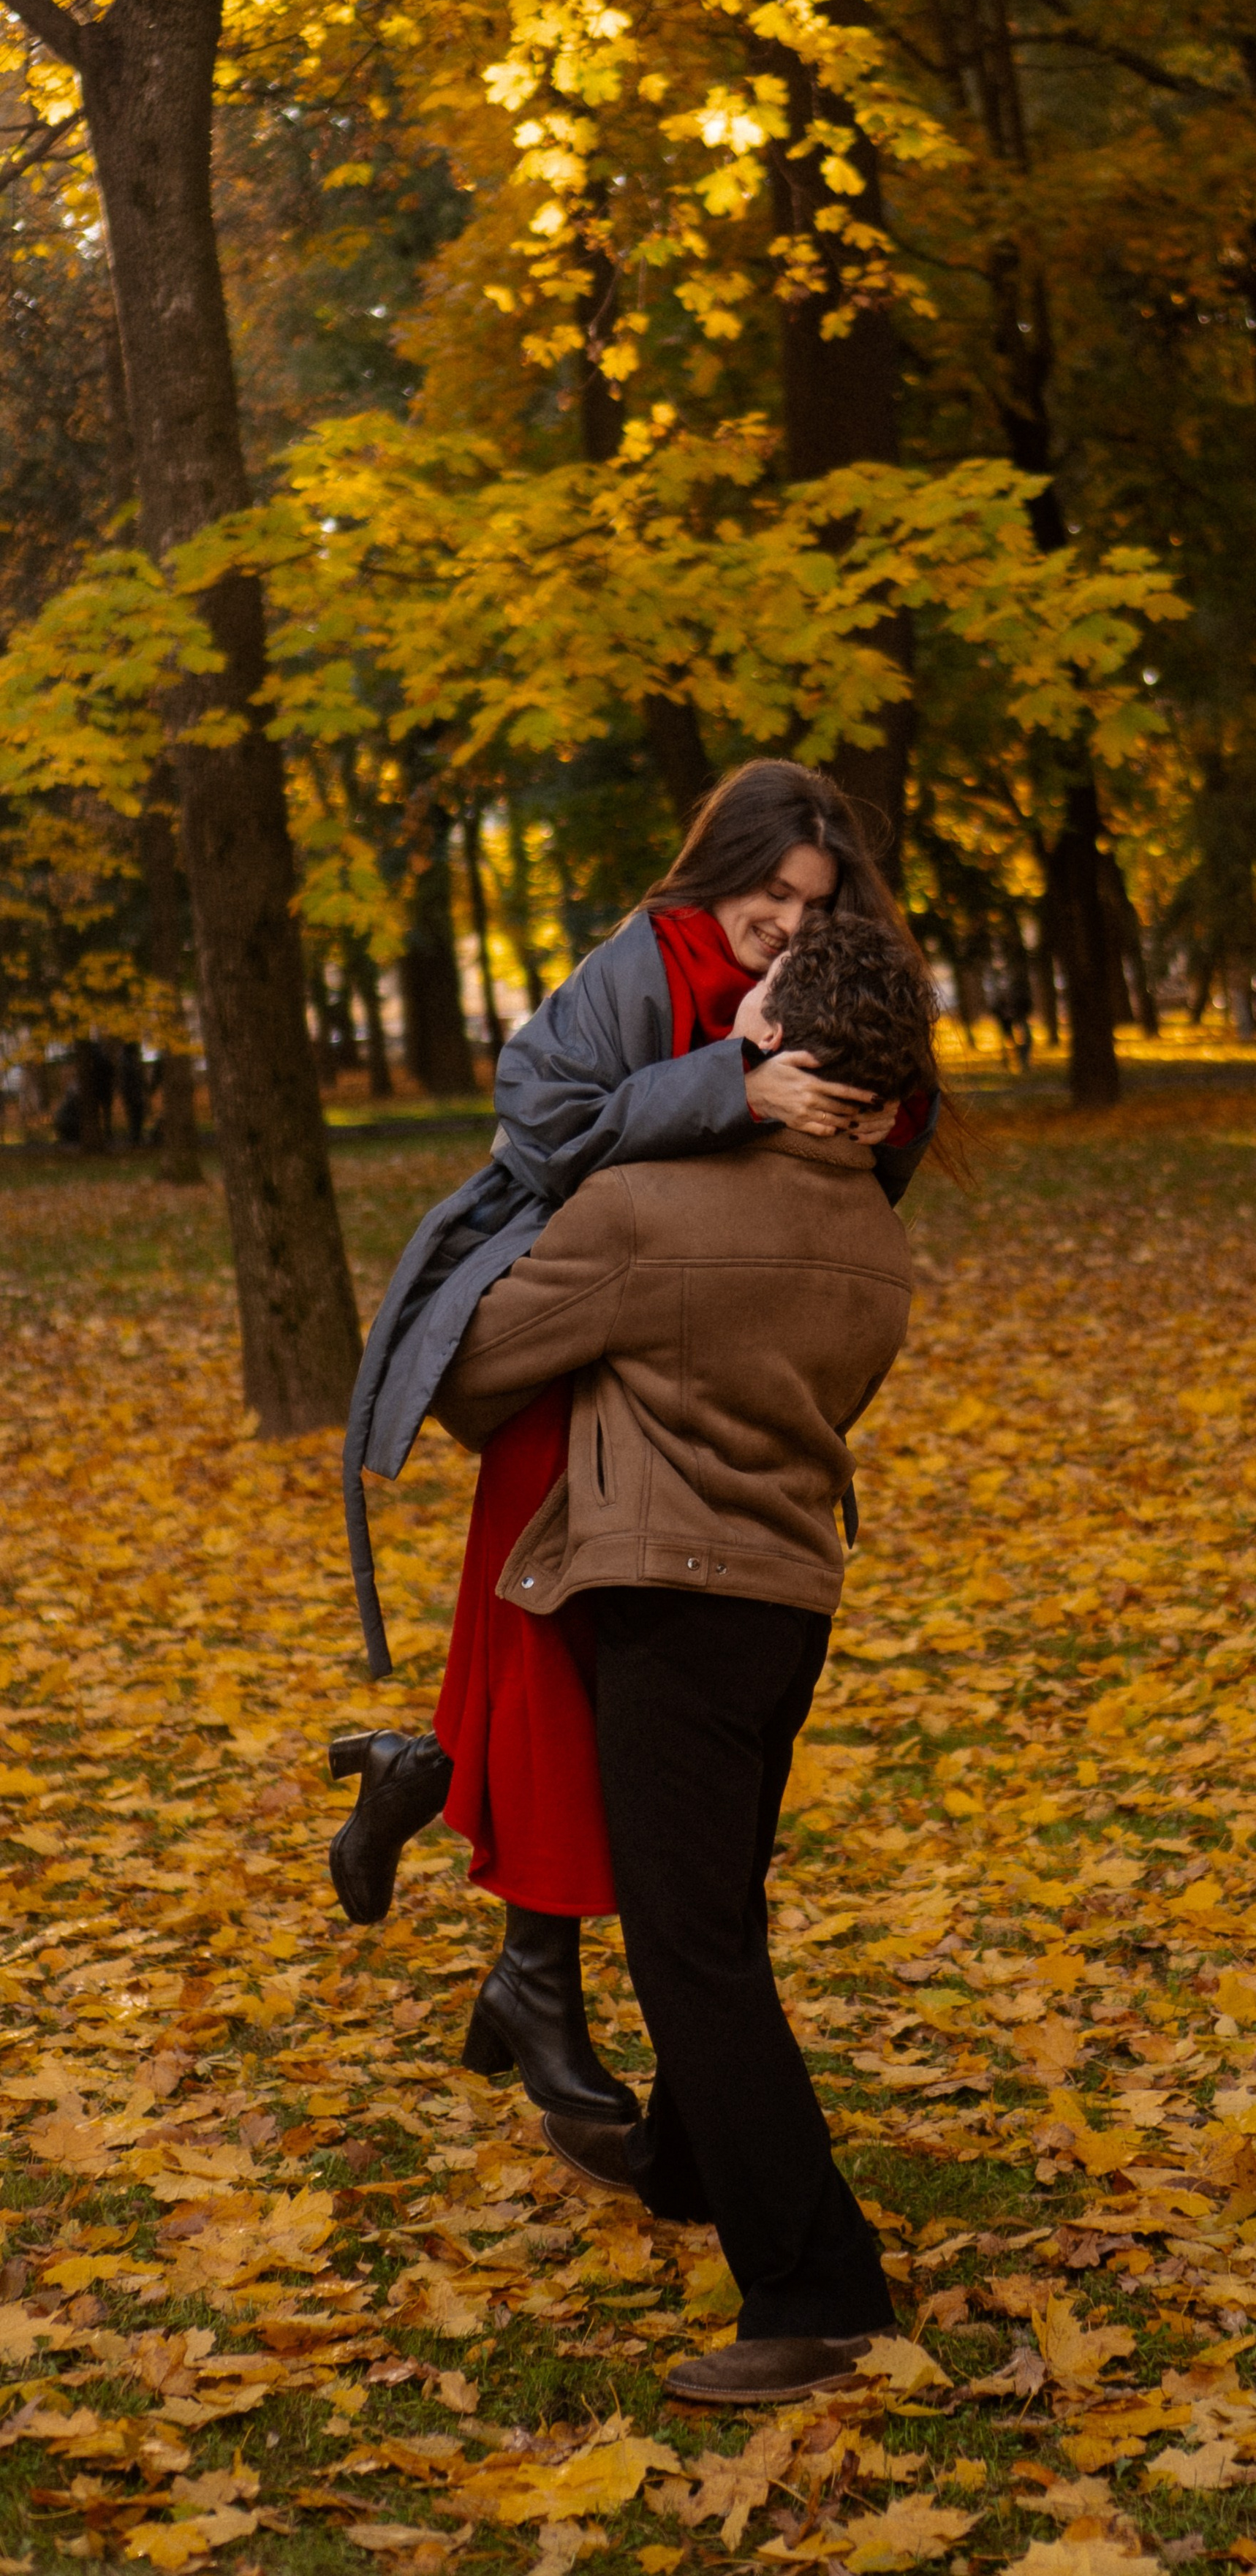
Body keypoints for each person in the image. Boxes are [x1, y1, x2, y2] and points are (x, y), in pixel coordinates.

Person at [328, 762, 939, 2125]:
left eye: (812, 901)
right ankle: (533, 1961)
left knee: (605, 1685)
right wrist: (735, 1086)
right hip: (583, 1325)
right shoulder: (634, 968)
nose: (785, 923)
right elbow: (546, 1138)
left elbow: (875, 1124)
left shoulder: (826, 971)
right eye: (769, 893)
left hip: (709, 1357)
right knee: (554, 1653)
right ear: (719, 867)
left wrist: (859, 1113)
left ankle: (442, 1807)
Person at [432, 915, 932, 2406]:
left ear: (775, 1053)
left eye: (744, 1015)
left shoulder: (649, 1211)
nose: (715, 1032)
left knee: (689, 1952)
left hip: (664, 1601)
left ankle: (820, 2292)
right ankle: (682, 2165)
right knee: (712, 1915)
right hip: (787, 1608)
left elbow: (467, 1372)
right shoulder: (875, 1237)